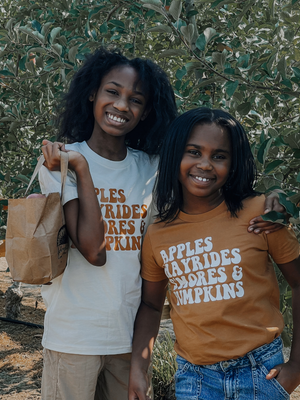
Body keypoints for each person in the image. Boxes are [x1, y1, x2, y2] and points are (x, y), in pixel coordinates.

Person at [39, 47, 285, 400]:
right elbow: (94, 249)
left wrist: (274, 196)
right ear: (92, 93)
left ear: (147, 111)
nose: (122, 105)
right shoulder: (60, 162)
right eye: (112, 92)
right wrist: (80, 166)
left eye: (135, 99)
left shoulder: (151, 167)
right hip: (73, 335)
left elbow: (209, 187)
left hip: (130, 338)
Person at [129, 107, 300, 400]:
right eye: (193, 152)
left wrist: (297, 365)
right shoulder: (158, 234)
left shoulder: (261, 213)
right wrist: (138, 368)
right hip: (195, 380)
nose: (205, 164)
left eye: (219, 156)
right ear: (174, 155)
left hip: (260, 372)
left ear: (233, 163)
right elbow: (151, 305)